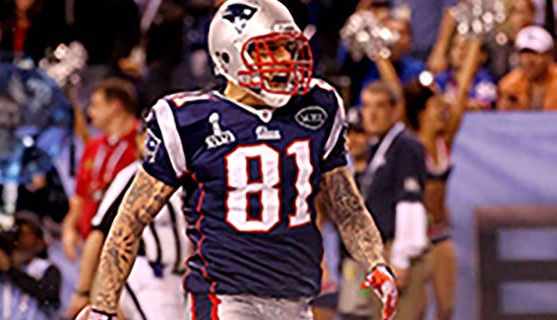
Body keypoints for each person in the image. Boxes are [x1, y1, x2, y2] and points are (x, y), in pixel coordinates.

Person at [79, 1, 398, 319]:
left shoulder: (318, 106)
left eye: (288, 48)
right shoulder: (190, 121)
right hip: (226, 298)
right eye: (270, 50)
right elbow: (130, 219)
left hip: (296, 299)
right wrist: (103, 307)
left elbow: (347, 205)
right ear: (229, 54)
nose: (285, 59)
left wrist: (374, 262)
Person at [65, 125, 189, 319]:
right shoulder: (134, 176)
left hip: (185, 277)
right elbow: (99, 231)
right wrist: (83, 290)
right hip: (148, 273)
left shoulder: (193, 176)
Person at [359, 81, 429, 320]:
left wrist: (401, 259)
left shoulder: (405, 146)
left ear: (394, 110)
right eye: (367, 106)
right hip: (381, 252)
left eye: (379, 106)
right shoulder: (379, 146)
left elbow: (410, 202)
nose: (372, 114)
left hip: (396, 250)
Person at [61, 78, 140, 261]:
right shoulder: (93, 147)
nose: (90, 112)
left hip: (128, 250)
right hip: (91, 246)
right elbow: (80, 196)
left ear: (115, 106)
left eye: (96, 105)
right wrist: (69, 228)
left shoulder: (141, 145)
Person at [403, 80, 457, 320]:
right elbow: (398, 93)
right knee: (417, 309)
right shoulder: (410, 142)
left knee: (446, 308)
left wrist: (474, 44)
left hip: (440, 232)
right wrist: (380, 54)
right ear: (421, 111)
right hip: (416, 236)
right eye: (436, 105)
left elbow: (462, 93)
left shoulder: (444, 142)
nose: (443, 109)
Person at [497, 25, 557, 111]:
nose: (528, 61)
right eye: (524, 54)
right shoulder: (509, 86)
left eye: (535, 54)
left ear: (549, 56)